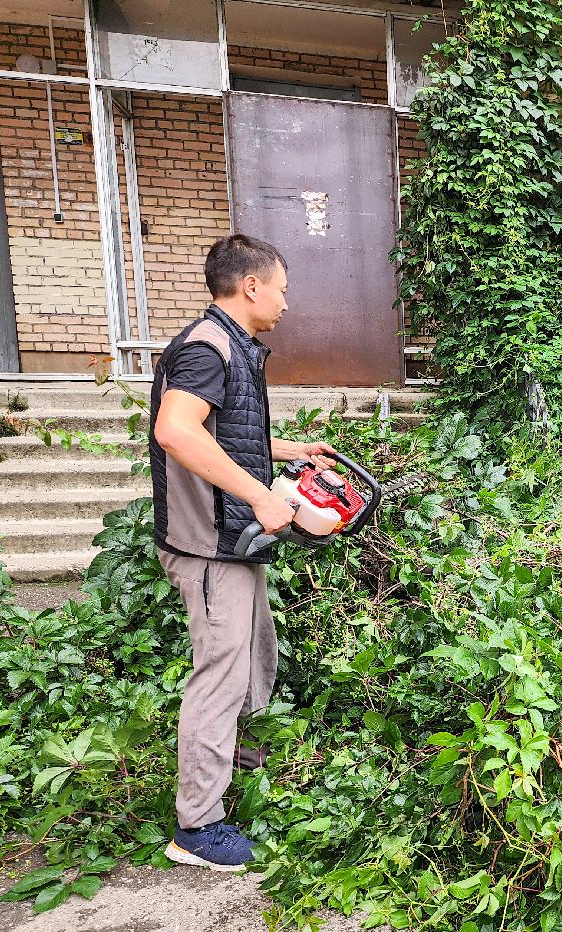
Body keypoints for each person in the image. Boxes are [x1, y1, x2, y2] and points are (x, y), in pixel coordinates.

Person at [150, 234, 335, 871]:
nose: (286, 301)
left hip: (229, 543)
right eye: (282, 287)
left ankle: (226, 755)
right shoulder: (208, 348)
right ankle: (197, 826)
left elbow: (222, 431)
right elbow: (175, 430)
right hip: (207, 545)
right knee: (220, 676)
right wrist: (262, 497)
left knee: (251, 656)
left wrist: (292, 453)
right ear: (251, 286)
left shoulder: (233, 347)